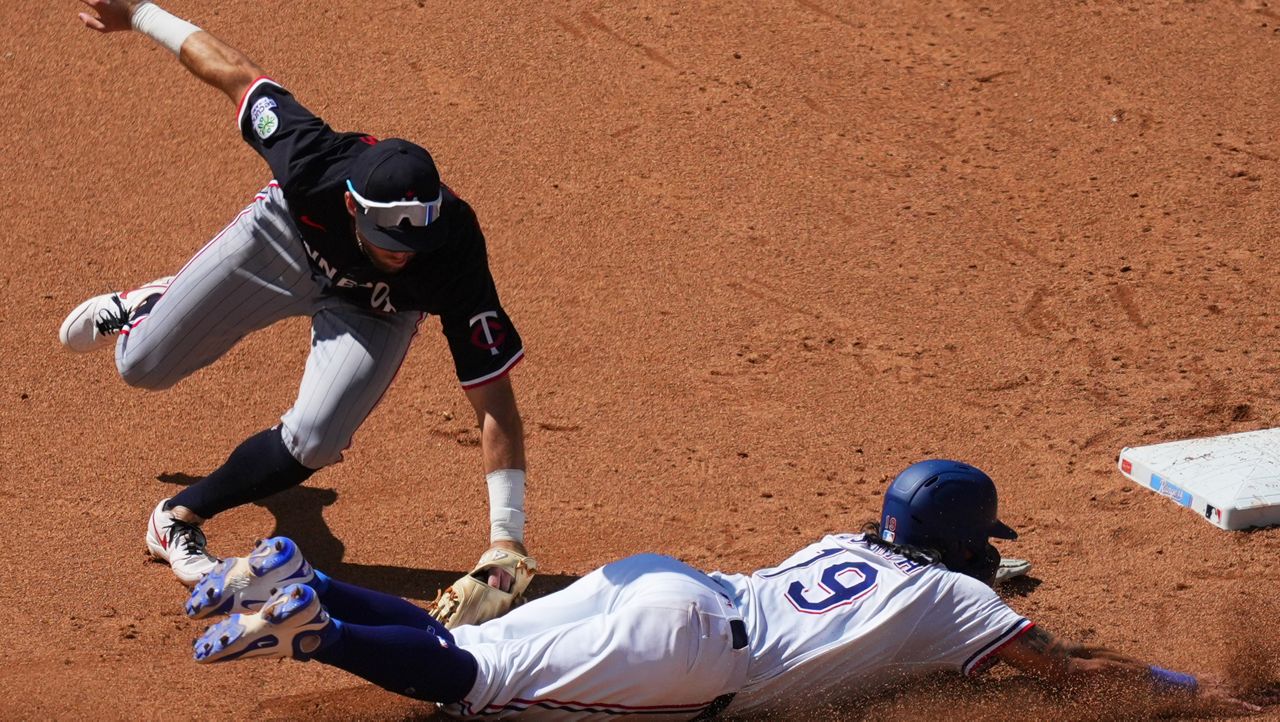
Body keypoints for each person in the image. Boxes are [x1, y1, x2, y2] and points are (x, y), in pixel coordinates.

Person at [63, 0, 531, 602]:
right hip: (284, 243)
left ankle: (177, 518)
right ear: (353, 207)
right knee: (140, 367)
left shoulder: (453, 249)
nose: (405, 253)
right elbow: (233, 72)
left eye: (416, 242)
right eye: (390, 240)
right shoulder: (312, 159)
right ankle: (155, 303)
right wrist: (138, 13)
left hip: (374, 309)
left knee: (317, 439)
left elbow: (493, 397)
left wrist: (506, 538)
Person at [184, 460, 1257, 719]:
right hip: (694, 652)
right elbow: (1068, 675)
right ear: (969, 546)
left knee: (462, 641)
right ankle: (316, 627)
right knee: (471, 686)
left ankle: (299, 573)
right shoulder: (965, 607)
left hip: (659, 575)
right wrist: (1196, 692)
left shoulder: (852, 540)